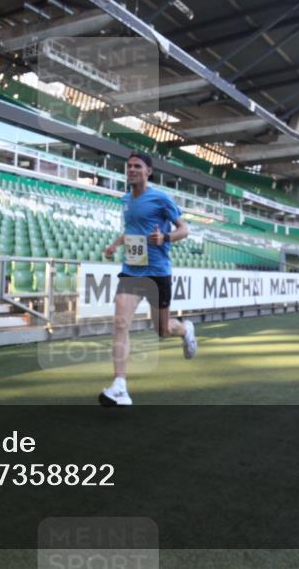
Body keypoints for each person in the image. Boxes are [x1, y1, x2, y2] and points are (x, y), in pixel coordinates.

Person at [98, 151, 196, 407]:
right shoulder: (126, 199)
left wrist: (165, 238)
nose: (131, 170)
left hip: (157, 272)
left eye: (137, 166)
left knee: (162, 330)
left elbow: (184, 230)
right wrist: (114, 245)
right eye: (128, 166)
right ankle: (120, 385)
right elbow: (131, 230)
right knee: (120, 323)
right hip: (132, 270)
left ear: (148, 171)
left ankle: (185, 329)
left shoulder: (160, 198)